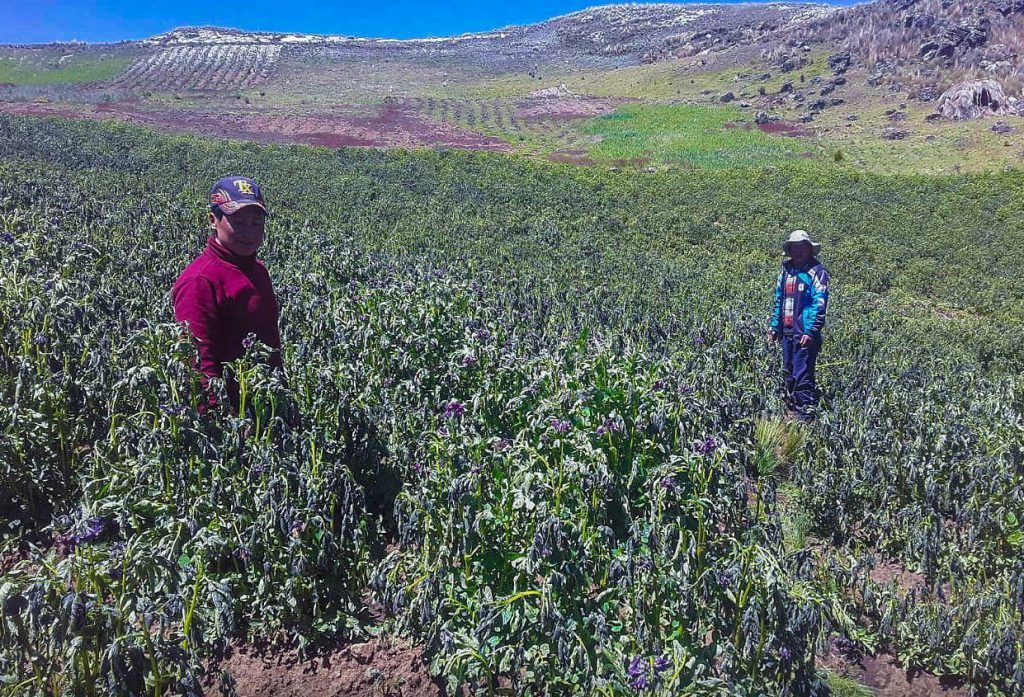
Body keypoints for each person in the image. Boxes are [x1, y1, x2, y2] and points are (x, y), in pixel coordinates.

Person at [172, 176, 283, 411]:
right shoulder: (200, 280)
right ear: (213, 220)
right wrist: (223, 423)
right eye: (239, 222)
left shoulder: (258, 269)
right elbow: (198, 363)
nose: (249, 233)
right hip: (232, 414)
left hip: (265, 404)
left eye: (256, 223)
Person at [769, 230, 829, 422]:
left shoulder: (816, 272)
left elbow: (819, 303)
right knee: (788, 371)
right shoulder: (786, 271)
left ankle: (806, 415)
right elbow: (780, 300)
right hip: (787, 331)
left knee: (802, 373)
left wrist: (811, 330)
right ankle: (792, 409)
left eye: (802, 247)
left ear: (809, 249)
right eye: (795, 248)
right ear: (791, 250)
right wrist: (775, 326)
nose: (798, 251)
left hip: (804, 333)